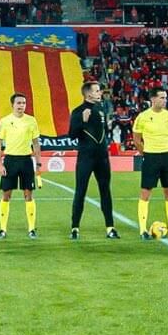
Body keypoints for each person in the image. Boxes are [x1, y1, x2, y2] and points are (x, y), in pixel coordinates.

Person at [67, 80, 118, 240]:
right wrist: (82, 122)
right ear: (88, 94)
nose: (100, 93)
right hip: (86, 158)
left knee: (105, 191)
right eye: (96, 91)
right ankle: (75, 228)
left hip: (102, 157)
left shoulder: (100, 109)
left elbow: (103, 130)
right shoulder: (78, 111)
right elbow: (72, 135)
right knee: (80, 191)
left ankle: (110, 228)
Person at [131, 87, 168, 240]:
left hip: (167, 157)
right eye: (161, 98)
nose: (165, 100)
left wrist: (166, 148)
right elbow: (136, 140)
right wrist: (146, 153)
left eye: (165, 98)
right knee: (145, 193)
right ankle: (143, 230)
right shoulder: (143, 117)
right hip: (150, 157)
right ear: (152, 99)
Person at [0, 91, 42, 239]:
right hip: (10, 161)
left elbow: (36, 143)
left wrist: (38, 163)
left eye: (24, 103)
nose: (21, 105)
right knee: (6, 195)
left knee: (28, 194)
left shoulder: (31, 121)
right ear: (13, 105)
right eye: (19, 103)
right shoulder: (5, 121)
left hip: (26, 160)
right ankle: (2, 229)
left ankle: (31, 229)